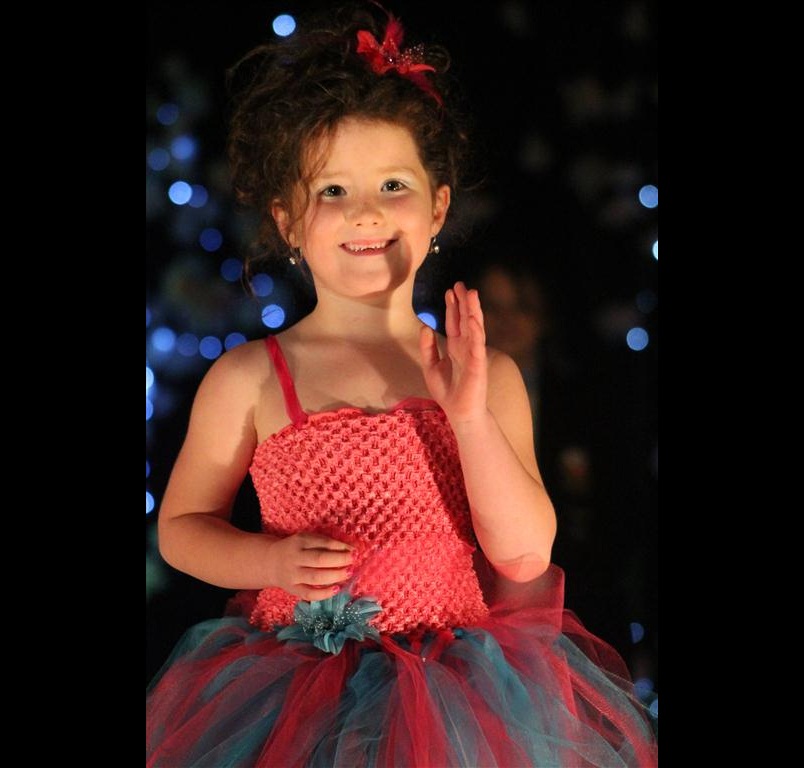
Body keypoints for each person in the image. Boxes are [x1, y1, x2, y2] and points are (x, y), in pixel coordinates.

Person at [146, 3, 658, 766]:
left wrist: (470, 417)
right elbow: (181, 527)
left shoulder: (482, 372)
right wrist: (268, 565)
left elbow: (524, 558)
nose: (365, 214)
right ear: (287, 220)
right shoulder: (250, 377)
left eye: (392, 184)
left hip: (456, 701)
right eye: (332, 191)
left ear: (438, 206)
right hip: (301, 695)